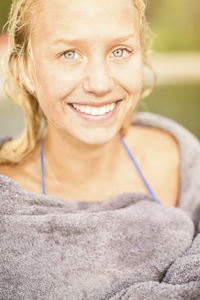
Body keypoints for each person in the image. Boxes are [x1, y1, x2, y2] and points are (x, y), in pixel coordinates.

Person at [0, 0, 200, 299]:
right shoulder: (9, 212)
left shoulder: (180, 155)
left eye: (120, 51)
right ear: (25, 69)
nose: (100, 83)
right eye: (69, 54)